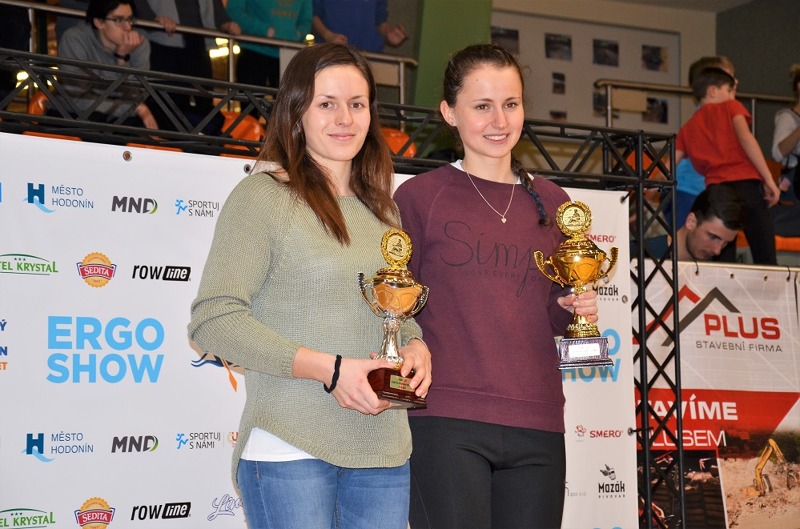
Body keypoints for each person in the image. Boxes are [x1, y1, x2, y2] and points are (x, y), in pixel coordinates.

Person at [188, 42, 431, 529]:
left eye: (357, 104)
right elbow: (213, 321)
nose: (345, 118)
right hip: (289, 446)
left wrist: (416, 346)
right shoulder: (263, 197)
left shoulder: (385, 210)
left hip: (383, 450)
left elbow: (394, 316)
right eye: (327, 104)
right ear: (296, 111)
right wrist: (331, 370)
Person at [393, 43, 599, 529]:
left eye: (511, 104)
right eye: (482, 106)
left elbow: (554, 317)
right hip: (444, 419)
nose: (499, 121)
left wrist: (576, 308)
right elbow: (396, 312)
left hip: (538, 422)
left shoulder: (554, 202)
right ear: (450, 113)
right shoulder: (420, 197)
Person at [674, 66, 779, 265]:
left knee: (722, 261)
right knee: (765, 256)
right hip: (746, 186)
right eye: (729, 90)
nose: (733, 95)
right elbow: (746, 139)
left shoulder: (687, 127)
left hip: (717, 193)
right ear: (713, 91)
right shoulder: (731, 107)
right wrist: (768, 178)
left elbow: (670, 164)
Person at [132, 0, 241, 134]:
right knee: (167, 103)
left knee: (204, 100)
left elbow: (215, 7)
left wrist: (224, 21)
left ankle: (206, 138)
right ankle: (174, 140)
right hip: (161, 40)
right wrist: (151, 18)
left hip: (197, 40)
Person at [57, 0, 157, 128]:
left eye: (130, 19)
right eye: (119, 20)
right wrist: (135, 108)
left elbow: (136, 97)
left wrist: (122, 59)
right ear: (99, 22)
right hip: (75, 118)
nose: (128, 27)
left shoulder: (139, 44)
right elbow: (77, 99)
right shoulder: (75, 39)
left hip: (120, 119)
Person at [672, 56, 737, 231]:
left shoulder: (716, 115)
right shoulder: (706, 117)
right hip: (688, 190)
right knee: (686, 240)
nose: (735, 83)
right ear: (711, 88)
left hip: (701, 190)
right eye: (728, 79)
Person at [226, 0, 312, 91]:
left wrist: (298, 34)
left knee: (290, 98)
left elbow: (306, 20)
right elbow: (233, 11)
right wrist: (264, 30)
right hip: (254, 50)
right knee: (251, 97)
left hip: (289, 53)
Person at [675, 185, 747, 261]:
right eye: (713, 237)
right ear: (691, 222)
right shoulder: (663, 254)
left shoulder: (710, 265)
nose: (717, 251)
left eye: (726, 243)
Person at [312, 0, 406, 53]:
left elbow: (380, 21)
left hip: (369, 56)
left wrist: (389, 34)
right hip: (330, 53)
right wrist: (328, 35)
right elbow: (311, 15)